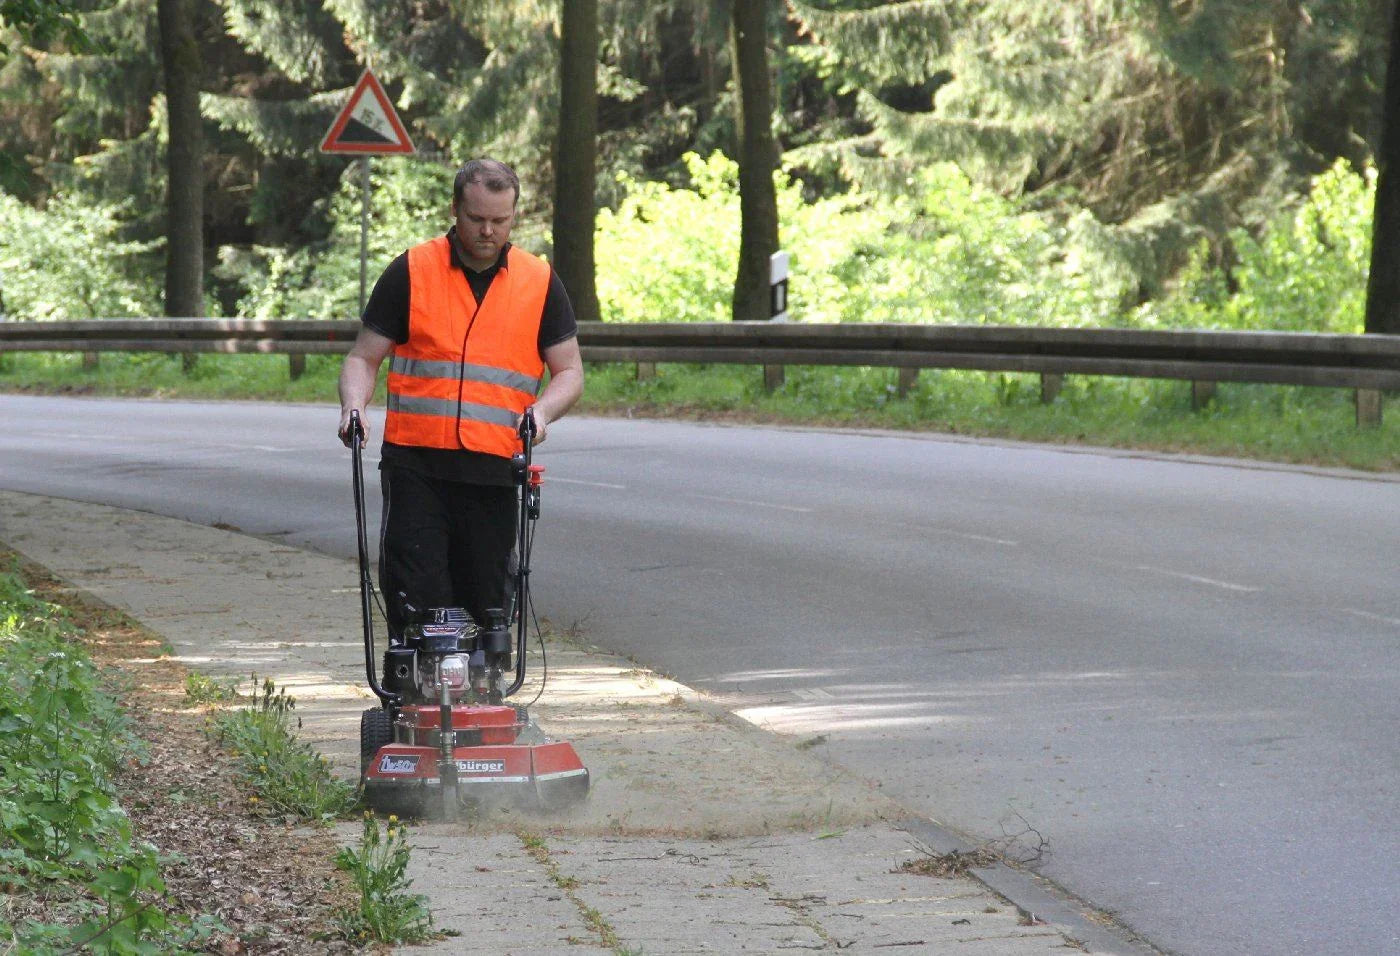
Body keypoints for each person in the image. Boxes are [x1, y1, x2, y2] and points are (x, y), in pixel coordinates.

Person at [337, 158, 584, 638]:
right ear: (455, 210)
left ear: (514, 215)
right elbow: (362, 359)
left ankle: (484, 692)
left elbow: (570, 371)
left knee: (488, 602)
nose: (488, 231)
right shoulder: (413, 270)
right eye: (476, 219)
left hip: (493, 470)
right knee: (417, 592)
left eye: (500, 219)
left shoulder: (538, 282)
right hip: (416, 467)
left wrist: (543, 411)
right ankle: (412, 695)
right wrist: (354, 408)